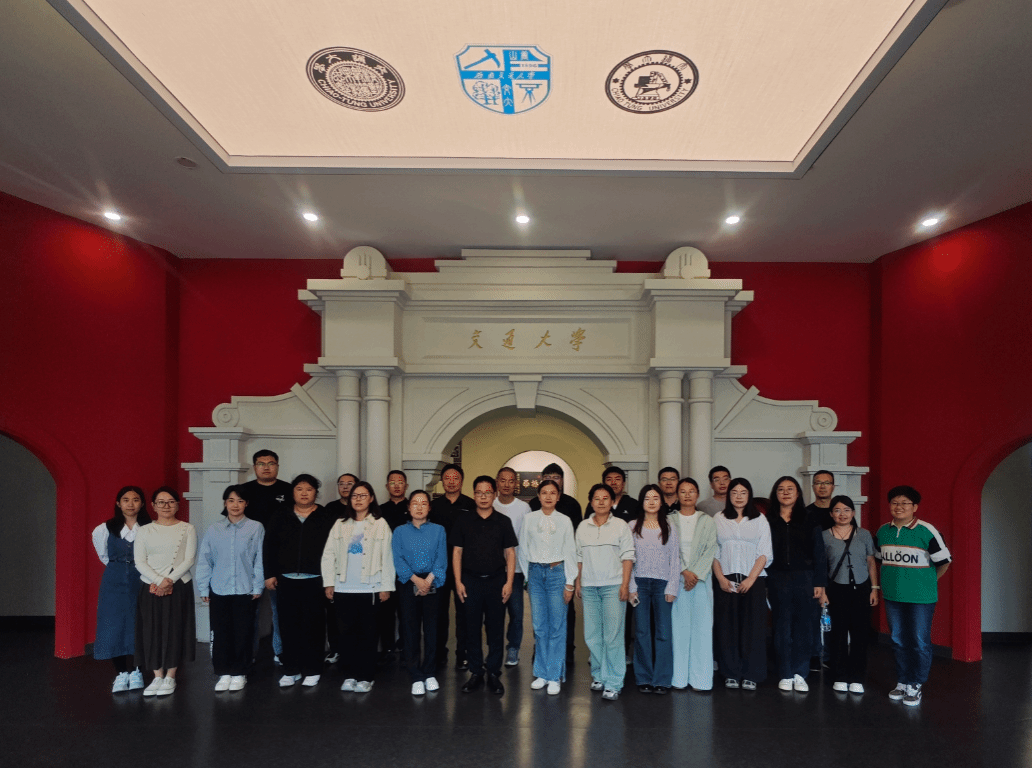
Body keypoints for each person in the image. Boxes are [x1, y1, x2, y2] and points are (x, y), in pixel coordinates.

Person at [875, 485, 951, 707]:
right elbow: (879, 560)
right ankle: (903, 680)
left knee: (919, 641)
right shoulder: (882, 531)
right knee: (898, 639)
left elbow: (944, 562)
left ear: (915, 507)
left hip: (921, 598)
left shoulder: (927, 531)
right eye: (895, 503)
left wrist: (927, 582)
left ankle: (916, 683)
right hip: (892, 596)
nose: (899, 507)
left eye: (905, 503)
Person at [322, 480, 395, 693]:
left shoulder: (380, 524)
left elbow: (388, 557)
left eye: (363, 495)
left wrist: (385, 586)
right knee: (346, 634)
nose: (358, 499)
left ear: (371, 498)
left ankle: (365, 676)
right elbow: (329, 554)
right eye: (355, 496)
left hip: (370, 587)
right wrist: (329, 582)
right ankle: (350, 675)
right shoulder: (340, 524)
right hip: (344, 587)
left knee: (368, 635)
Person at [264, 474, 334, 688]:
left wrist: (331, 579)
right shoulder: (280, 515)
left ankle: (313, 669)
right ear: (292, 492)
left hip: (316, 580)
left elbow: (334, 550)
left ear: (316, 493)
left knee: (314, 626)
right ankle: (291, 669)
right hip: (286, 580)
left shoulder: (325, 516)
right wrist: (269, 574)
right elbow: (269, 546)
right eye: (299, 489)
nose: (304, 493)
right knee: (288, 625)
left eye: (309, 489)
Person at [195, 485, 265, 691]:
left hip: (245, 589)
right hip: (219, 588)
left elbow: (260, 559)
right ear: (225, 503)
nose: (235, 505)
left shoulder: (256, 527)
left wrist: (257, 586)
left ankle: (240, 672)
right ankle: (223, 672)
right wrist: (203, 588)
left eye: (240, 501)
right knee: (221, 632)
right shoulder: (213, 529)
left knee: (243, 632)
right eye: (231, 500)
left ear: (246, 504)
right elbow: (205, 560)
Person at [453, 475, 518, 695]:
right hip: (470, 582)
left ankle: (493, 672)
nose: (483, 496)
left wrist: (509, 582)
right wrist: (458, 582)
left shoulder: (503, 521)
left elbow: (510, 553)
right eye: (479, 493)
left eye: (487, 492)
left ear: (494, 494)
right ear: (474, 495)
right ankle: (475, 672)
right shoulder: (463, 520)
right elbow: (457, 552)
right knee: (471, 629)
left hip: (496, 582)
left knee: (495, 629)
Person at [134, 487, 197, 697]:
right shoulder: (144, 530)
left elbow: (189, 559)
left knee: (175, 629)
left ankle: (170, 676)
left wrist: (168, 581)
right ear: (153, 506)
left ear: (177, 504)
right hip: (150, 585)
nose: (166, 506)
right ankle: (157, 675)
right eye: (161, 502)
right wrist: (159, 581)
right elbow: (139, 561)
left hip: (178, 585)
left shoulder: (187, 528)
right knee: (151, 630)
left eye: (170, 501)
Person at [767, 476, 826, 693]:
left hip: (806, 578)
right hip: (777, 577)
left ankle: (800, 673)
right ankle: (785, 672)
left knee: (804, 627)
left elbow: (819, 552)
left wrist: (820, 582)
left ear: (798, 493)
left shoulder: (809, 519)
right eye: (781, 489)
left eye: (790, 489)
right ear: (775, 494)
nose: (785, 493)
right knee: (781, 627)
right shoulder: (768, 520)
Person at [712, 478, 773, 690]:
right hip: (726, 579)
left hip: (753, 579)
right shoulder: (718, 518)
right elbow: (714, 552)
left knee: (753, 628)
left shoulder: (759, 520)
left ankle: (751, 674)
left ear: (749, 495)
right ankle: (730, 672)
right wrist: (721, 578)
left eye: (743, 492)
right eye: (734, 492)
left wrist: (750, 579)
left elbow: (764, 553)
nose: (738, 496)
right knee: (727, 627)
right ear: (729, 496)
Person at [576, 483, 635, 701]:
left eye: (605, 498)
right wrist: (578, 582)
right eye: (597, 498)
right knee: (592, 635)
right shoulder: (583, 526)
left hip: (613, 586)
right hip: (589, 587)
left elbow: (628, 556)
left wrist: (625, 585)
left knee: (613, 636)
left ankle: (614, 682)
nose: (601, 502)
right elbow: (578, 557)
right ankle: (599, 675)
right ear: (591, 502)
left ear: (612, 502)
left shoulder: (621, 525)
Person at [518, 479, 577, 695]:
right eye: (544, 492)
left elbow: (570, 551)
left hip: (557, 574)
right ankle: (541, 673)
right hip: (535, 574)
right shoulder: (529, 519)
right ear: (538, 496)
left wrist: (570, 582)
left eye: (553, 493)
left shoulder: (565, 520)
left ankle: (554, 675)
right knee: (540, 626)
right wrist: (527, 577)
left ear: (558, 496)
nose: (549, 496)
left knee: (557, 626)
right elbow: (523, 549)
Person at [92, 485, 151, 693]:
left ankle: (137, 671)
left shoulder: (150, 528)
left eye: (135, 499)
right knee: (114, 625)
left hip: (142, 579)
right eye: (126, 500)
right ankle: (121, 673)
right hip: (114, 582)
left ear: (142, 504)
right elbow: (104, 556)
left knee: (138, 624)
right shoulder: (104, 529)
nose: (130, 504)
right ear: (118, 503)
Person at [237, 450, 292, 666]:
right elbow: (234, 520)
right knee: (249, 608)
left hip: (280, 557)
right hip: (249, 557)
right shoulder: (244, 491)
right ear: (254, 467)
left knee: (281, 609)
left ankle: (281, 651)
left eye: (271, 463)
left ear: (277, 466)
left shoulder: (288, 490)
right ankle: (247, 653)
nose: (266, 467)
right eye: (261, 463)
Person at [820, 495, 879, 694]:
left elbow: (871, 561)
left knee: (860, 634)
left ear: (853, 513)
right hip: (836, 589)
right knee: (837, 634)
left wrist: (874, 588)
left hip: (861, 588)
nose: (842, 514)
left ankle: (857, 677)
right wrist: (823, 592)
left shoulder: (864, 534)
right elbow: (821, 566)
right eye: (837, 510)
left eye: (846, 510)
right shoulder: (824, 536)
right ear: (831, 514)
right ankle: (839, 675)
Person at [392, 490, 447, 695]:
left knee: (432, 629)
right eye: (415, 503)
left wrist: (428, 581)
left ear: (429, 508)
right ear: (409, 507)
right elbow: (397, 559)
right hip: (409, 582)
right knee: (410, 628)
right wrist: (416, 580)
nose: (419, 507)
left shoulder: (439, 530)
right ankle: (415, 674)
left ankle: (429, 671)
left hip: (433, 582)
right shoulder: (399, 531)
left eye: (424, 503)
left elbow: (441, 558)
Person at [628, 484, 680, 694]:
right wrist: (631, 586)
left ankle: (662, 679)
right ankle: (644, 678)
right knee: (641, 632)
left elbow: (675, 559)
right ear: (642, 502)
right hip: (640, 583)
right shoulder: (632, 526)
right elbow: (628, 558)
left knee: (663, 633)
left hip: (662, 585)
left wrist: (672, 587)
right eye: (647, 498)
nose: (651, 502)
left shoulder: (669, 525)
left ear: (661, 502)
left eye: (655, 498)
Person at [669, 477, 718, 691]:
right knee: (678, 629)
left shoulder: (707, 521)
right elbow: (668, 550)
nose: (687, 495)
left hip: (701, 581)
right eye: (683, 491)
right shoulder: (669, 520)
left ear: (697, 494)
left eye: (691, 491)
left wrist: (695, 574)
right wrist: (684, 571)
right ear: (677, 495)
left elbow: (711, 549)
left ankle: (700, 680)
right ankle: (678, 678)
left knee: (702, 629)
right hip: (677, 580)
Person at [529, 462, 582, 659]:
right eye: (547, 477)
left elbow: (575, 540)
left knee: (565, 610)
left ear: (562, 481)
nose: (552, 481)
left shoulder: (572, 505)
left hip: (561, 566)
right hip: (538, 567)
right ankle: (541, 649)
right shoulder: (533, 505)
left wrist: (572, 575)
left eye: (556, 477)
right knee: (540, 613)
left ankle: (566, 649)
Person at [429, 463, 475, 669]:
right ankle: (439, 653)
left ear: (462, 481)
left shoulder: (470, 505)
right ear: (442, 481)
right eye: (447, 477)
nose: (451, 481)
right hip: (438, 568)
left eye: (455, 478)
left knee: (464, 613)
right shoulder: (434, 506)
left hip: (464, 568)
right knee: (438, 613)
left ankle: (462, 654)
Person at [494, 466, 530, 667]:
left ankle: (513, 648)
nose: (506, 484)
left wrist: (526, 570)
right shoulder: (490, 504)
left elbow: (527, 540)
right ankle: (495, 649)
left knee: (516, 613)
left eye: (510, 481)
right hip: (493, 570)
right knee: (495, 613)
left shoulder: (523, 508)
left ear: (515, 484)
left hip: (515, 571)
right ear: (497, 482)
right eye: (503, 480)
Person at [322, 472, 358, 664]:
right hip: (336, 566)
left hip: (357, 567)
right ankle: (336, 649)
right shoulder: (330, 509)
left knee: (355, 613)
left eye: (349, 483)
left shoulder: (362, 508)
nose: (345, 487)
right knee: (334, 612)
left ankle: (355, 650)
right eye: (341, 483)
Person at [376, 470, 410, 660]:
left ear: (406, 486)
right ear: (387, 486)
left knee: (406, 610)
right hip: (385, 567)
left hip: (408, 567)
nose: (396, 485)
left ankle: (406, 645)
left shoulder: (413, 508)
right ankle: (387, 647)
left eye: (400, 482)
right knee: (386, 610)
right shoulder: (379, 511)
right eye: (392, 482)